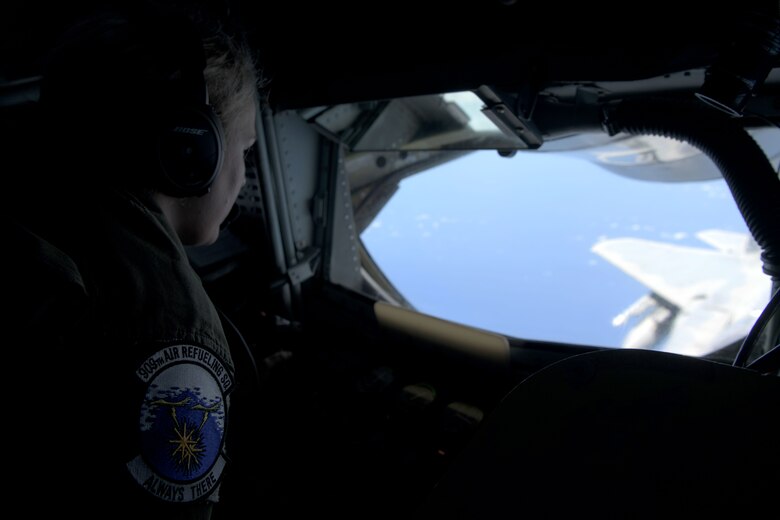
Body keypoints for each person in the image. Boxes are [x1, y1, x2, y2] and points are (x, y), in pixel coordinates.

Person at [10, 3, 262, 518]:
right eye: (245, 150)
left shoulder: (32, 199)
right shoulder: (171, 333)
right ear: (193, 148)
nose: (243, 175)